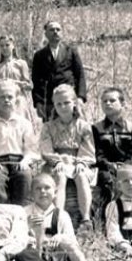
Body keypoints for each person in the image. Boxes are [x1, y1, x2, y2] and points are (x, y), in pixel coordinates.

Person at [39, 84, 96, 232]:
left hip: (78, 161)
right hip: (56, 163)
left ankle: (86, 219)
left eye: (66, 103)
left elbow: (88, 149)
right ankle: (56, 218)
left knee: (81, 176)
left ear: (74, 103)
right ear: (54, 106)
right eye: (58, 104)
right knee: (60, 175)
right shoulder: (48, 127)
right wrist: (56, 161)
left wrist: (82, 162)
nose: (63, 107)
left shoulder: (83, 126)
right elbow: (46, 149)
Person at [22, 172, 94, 261]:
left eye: (47, 188)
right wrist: (34, 236)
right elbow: (17, 237)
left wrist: (59, 237)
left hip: (56, 253)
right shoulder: (24, 212)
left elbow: (72, 241)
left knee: (66, 241)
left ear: (55, 192)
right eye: (38, 189)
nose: (43, 192)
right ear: (31, 194)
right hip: (34, 252)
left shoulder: (62, 214)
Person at [0, 80, 40, 206]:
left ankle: (22, 212)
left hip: (19, 162)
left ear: (16, 100)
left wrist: (25, 161)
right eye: (2, 97)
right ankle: (1, 212)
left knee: (25, 175)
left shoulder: (24, 123)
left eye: (10, 97)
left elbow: (31, 149)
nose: (6, 100)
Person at [92, 86, 132, 209]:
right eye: (104, 101)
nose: (107, 103)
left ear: (122, 103)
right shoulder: (96, 128)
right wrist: (109, 165)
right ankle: (109, 218)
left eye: (112, 100)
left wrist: (124, 167)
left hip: (129, 167)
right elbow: (97, 154)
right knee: (107, 183)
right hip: (106, 169)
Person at [31, 21, 87, 120]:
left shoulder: (71, 51)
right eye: (52, 30)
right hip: (49, 102)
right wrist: (38, 102)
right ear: (46, 34)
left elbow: (80, 75)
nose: (55, 32)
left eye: (58, 29)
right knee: (52, 131)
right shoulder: (39, 55)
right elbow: (36, 81)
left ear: (62, 33)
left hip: (69, 99)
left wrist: (80, 97)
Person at [0, 35, 38, 127]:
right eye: (2, 46)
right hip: (1, 103)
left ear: (13, 46)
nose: (4, 48)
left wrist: (16, 83)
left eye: (7, 45)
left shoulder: (21, 64)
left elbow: (29, 85)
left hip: (18, 102)